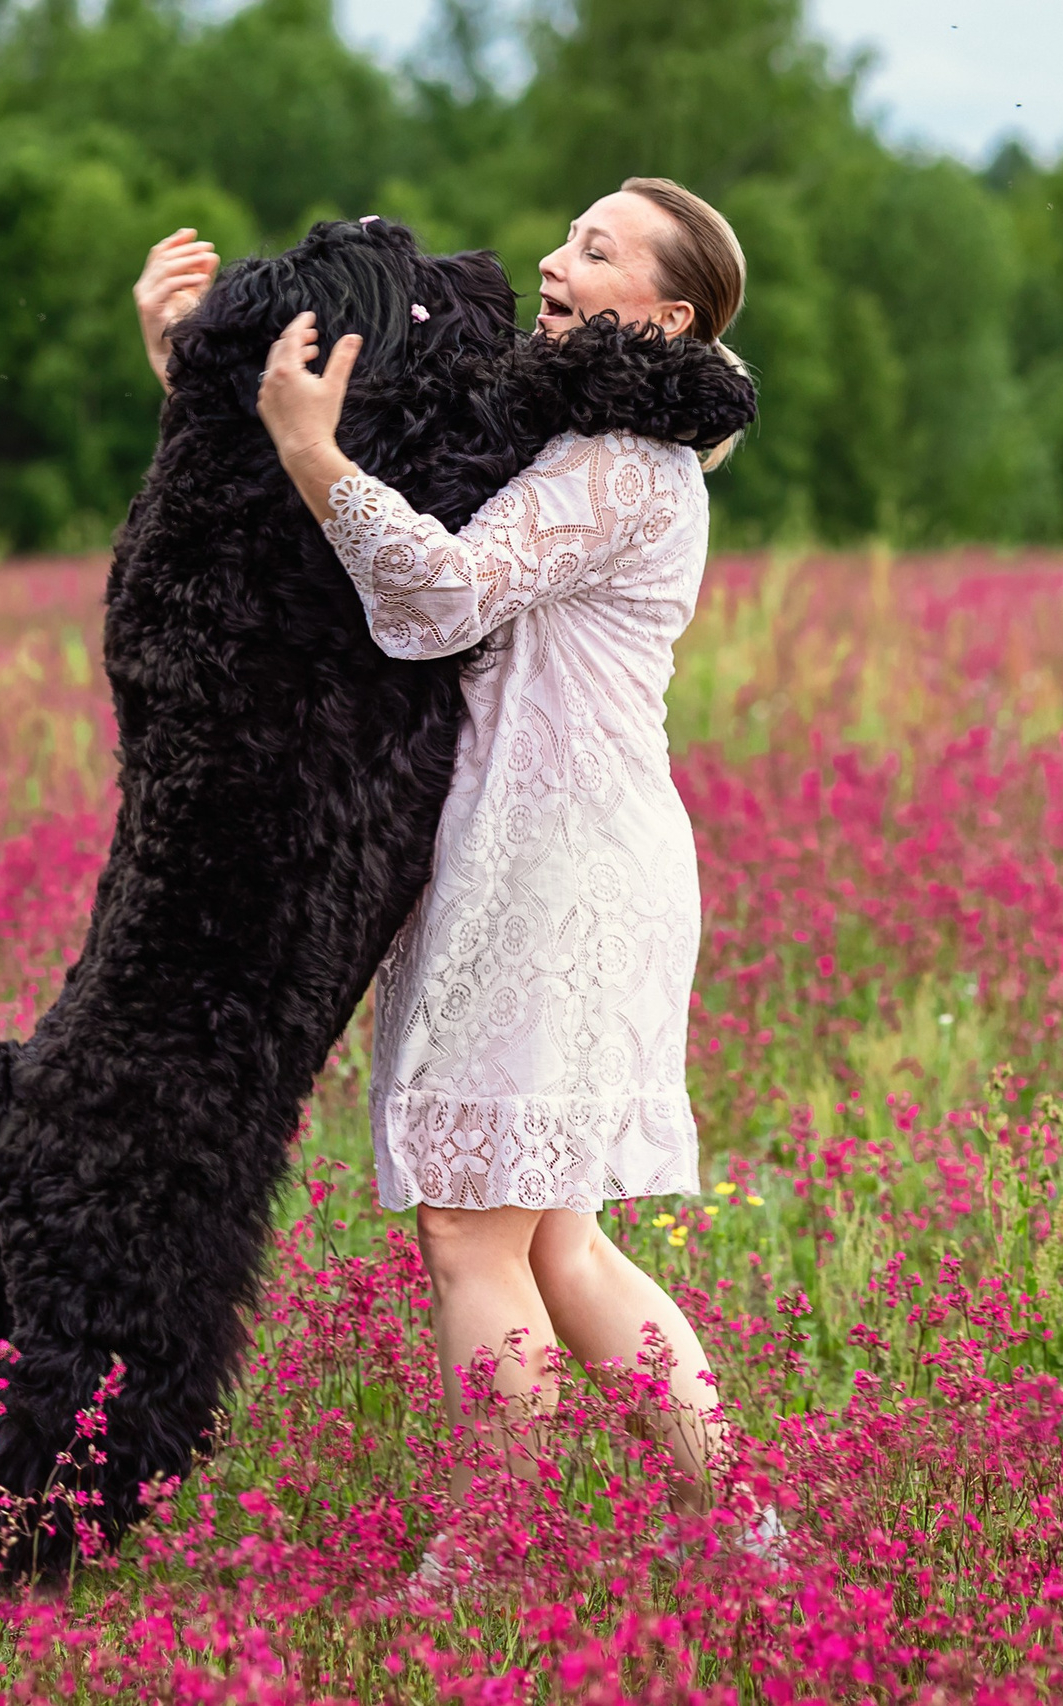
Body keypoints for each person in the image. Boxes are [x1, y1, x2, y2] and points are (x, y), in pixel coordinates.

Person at [132, 180, 773, 1586]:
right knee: (549, 1234)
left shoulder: (616, 464)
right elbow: (389, 463)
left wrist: (310, 455)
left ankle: (492, 1554)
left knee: (471, 1224)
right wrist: (194, 364)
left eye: (598, 251)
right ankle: (742, 1528)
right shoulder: (594, 435)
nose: (556, 256)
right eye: (572, 231)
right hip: (544, 849)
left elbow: (433, 598)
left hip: (556, 859)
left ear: (664, 314)